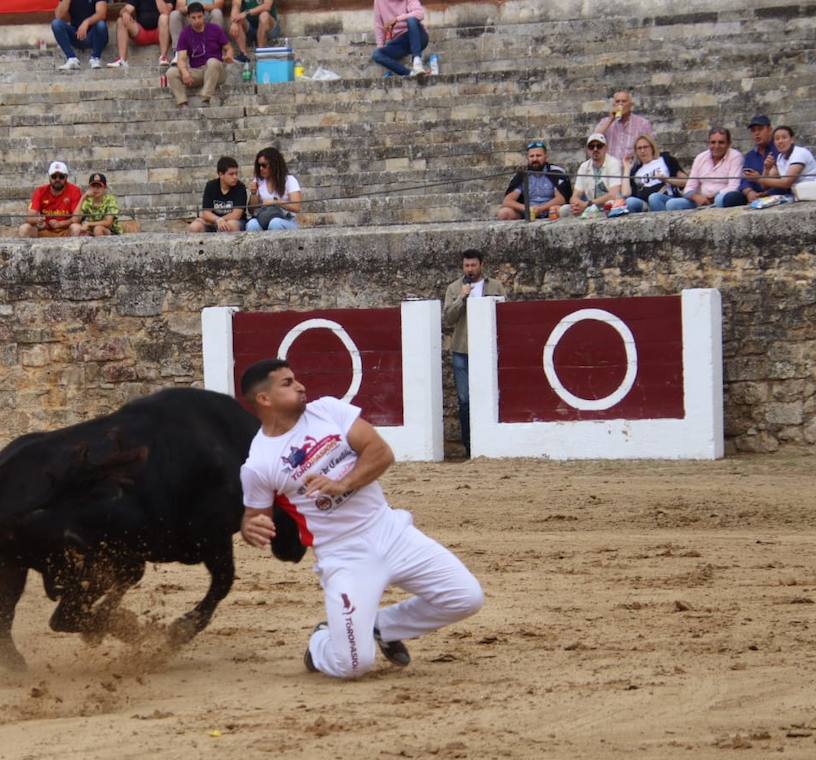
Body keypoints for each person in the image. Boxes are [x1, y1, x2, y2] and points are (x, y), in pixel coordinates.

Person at [238, 358, 484, 679]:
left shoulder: (327, 410)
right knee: (352, 666)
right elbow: (254, 516)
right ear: (264, 399)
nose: (300, 386)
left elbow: (380, 451)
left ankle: (381, 626)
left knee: (466, 598)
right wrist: (249, 527)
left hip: (390, 530)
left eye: (296, 379)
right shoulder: (259, 463)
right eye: (287, 383)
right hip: (343, 555)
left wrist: (344, 483)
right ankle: (321, 643)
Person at [442, 249, 504, 458]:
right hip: (463, 349)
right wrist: (462, 297)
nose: (470, 269)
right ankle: (469, 448)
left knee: (491, 396)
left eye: (473, 265)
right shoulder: (454, 288)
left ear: (481, 265)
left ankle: (492, 445)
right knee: (465, 400)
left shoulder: (495, 286)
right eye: (466, 266)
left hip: (488, 350)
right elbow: (449, 318)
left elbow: (503, 314)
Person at [168, 2, 235, 108]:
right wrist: (184, 72)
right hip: (198, 71)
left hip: (216, 71)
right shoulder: (185, 34)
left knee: (211, 62)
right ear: (189, 18)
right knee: (171, 72)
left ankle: (205, 99)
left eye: (199, 17)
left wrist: (229, 55)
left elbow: (229, 48)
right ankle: (183, 103)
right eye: (193, 18)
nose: (197, 20)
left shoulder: (215, 29)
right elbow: (181, 59)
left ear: (204, 16)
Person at [667, 128, 746, 210]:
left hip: (723, 199)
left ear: (729, 144)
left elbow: (734, 187)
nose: (716, 146)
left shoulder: (735, 157)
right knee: (671, 204)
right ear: (708, 143)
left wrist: (714, 197)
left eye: (721, 142)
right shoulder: (700, 158)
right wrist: (696, 197)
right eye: (713, 142)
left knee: (720, 200)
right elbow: (689, 187)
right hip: (701, 201)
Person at [609, 134, 685, 214]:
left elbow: (685, 181)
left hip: (665, 198)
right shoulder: (636, 171)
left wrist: (666, 179)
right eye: (639, 148)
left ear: (652, 148)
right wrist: (627, 169)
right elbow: (625, 193)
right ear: (636, 152)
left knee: (654, 198)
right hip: (645, 204)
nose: (642, 151)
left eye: (645, 147)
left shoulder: (666, 160)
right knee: (630, 201)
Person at [559, 132, 629, 218]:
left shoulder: (613, 163)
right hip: (590, 207)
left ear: (605, 148)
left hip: (610, 205)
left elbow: (613, 194)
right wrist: (576, 204)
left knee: (610, 205)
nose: (595, 149)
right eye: (591, 147)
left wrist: (587, 204)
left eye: (599, 146)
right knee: (564, 210)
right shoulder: (584, 166)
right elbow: (575, 195)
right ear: (588, 150)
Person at [496, 140, 569, 220]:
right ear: (528, 158)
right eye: (532, 156)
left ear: (545, 156)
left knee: (561, 210)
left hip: (550, 209)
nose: (535, 159)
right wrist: (527, 208)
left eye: (538, 156)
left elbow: (561, 199)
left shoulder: (555, 172)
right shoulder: (522, 175)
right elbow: (507, 201)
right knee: (504, 213)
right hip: (527, 212)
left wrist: (540, 209)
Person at [753, 125, 816, 201]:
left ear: (792, 140)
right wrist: (766, 169)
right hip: (795, 194)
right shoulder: (780, 157)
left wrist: (759, 179)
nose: (780, 141)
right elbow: (765, 186)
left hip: (810, 193)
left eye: (784, 138)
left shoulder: (799, 153)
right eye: (777, 139)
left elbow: (787, 183)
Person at [18, 161, 82, 238]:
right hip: (45, 230)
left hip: (66, 230)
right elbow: (30, 217)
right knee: (24, 229)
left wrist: (60, 224)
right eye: (54, 176)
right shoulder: (40, 191)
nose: (57, 179)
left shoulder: (74, 191)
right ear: (49, 177)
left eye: (61, 176)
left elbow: (77, 218)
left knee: (76, 228)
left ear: (66, 177)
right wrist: (38, 221)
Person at [593, 90, 653, 170]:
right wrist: (611, 119)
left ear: (630, 105)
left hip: (633, 169)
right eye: (617, 101)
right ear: (614, 105)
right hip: (610, 170)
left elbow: (651, 147)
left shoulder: (642, 123)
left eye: (624, 101)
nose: (620, 104)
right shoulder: (605, 122)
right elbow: (594, 138)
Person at [245, 146, 301, 231]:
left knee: (275, 223)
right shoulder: (258, 181)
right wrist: (253, 193)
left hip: (286, 219)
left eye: (264, 165)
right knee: (251, 224)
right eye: (259, 165)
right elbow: (252, 210)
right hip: (263, 219)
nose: (261, 168)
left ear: (274, 164)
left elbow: (296, 207)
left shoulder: (289, 180)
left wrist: (276, 202)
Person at [371, 0, 429, 78]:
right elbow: (378, 25)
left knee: (411, 20)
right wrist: (381, 48)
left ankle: (417, 62)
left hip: (417, 36)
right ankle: (410, 74)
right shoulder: (379, 1)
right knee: (377, 54)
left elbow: (420, 14)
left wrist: (397, 19)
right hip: (400, 42)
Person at [189, 155, 247, 232]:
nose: (235, 177)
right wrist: (217, 220)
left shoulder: (240, 187)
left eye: (236, 173)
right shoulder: (211, 186)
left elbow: (236, 215)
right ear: (221, 174)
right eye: (231, 174)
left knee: (229, 225)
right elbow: (206, 212)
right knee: (195, 226)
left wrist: (221, 220)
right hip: (214, 221)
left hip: (233, 221)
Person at [108, 0, 171, 68]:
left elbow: (166, 11)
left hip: (160, 34)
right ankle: (122, 60)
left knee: (164, 17)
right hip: (141, 32)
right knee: (121, 20)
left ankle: (163, 57)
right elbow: (126, 9)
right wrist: (125, 13)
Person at [52, 0, 109, 71]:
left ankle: (95, 58)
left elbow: (101, 14)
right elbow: (58, 16)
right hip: (76, 34)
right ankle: (71, 58)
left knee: (101, 25)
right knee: (56, 24)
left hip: (94, 35)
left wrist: (86, 22)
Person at [739, 114, 780, 204]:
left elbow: (782, 178)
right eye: (753, 131)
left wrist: (766, 193)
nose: (757, 133)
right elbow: (744, 180)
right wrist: (749, 192)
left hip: (776, 194)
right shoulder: (750, 156)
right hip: (755, 197)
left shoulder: (779, 150)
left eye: (760, 129)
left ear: (769, 130)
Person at [70, 172, 120, 236]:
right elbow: (75, 220)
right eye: (93, 186)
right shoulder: (87, 201)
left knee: (98, 229)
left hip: (110, 231)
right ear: (89, 187)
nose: (96, 189)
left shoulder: (110, 200)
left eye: (99, 186)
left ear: (105, 188)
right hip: (91, 230)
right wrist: (83, 197)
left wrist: (89, 224)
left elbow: (108, 222)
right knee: (74, 227)